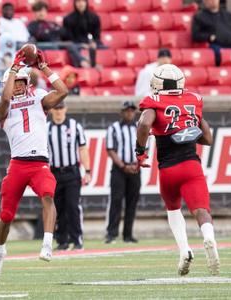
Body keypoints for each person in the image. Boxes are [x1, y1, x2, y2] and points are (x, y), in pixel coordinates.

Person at [0, 49, 68, 279]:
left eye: (22, 82)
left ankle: (47, 243)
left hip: (39, 162)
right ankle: (0, 251)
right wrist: (13, 70)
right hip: (18, 164)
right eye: (15, 82)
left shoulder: (38, 97)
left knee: (47, 195)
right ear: (8, 82)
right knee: (6, 215)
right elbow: (4, 102)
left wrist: (44, 67)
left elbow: (63, 91)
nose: (19, 86)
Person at [136, 63, 220, 276]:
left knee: (173, 209)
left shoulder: (154, 101)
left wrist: (140, 152)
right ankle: (208, 237)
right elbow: (208, 138)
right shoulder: (193, 100)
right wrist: (186, 130)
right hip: (191, 165)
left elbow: (144, 124)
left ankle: (184, 250)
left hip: (168, 169)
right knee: (201, 209)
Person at [48, 101, 90, 250]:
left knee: (73, 206)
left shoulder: (74, 126)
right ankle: (62, 241)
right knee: (58, 208)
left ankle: (77, 239)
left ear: (65, 109)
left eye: (60, 108)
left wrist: (88, 170)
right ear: (51, 110)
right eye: (56, 108)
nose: (58, 111)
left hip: (72, 172)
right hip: (54, 173)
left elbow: (83, 149)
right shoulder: (46, 128)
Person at [105, 101, 140, 244]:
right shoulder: (114, 128)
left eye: (132, 110)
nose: (129, 113)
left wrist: (137, 164)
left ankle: (128, 235)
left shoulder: (140, 127)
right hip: (119, 170)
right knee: (116, 201)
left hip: (135, 169)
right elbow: (110, 149)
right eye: (127, 110)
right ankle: (111, 234)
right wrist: (124, 166)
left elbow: (146, 148)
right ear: (122, 112)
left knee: (132, 202)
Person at [192, 0, 231, 66]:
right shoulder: (199, 16)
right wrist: (208, 37)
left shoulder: (228, 14)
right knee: (222, 55)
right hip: (216, 45)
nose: (213, 1)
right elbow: (195, 35)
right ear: (205, 1)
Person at [62, 0, 103, 68]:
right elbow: (69, 38)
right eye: (78, 1)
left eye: (82, 1)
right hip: (76, 44)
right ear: (75, 3)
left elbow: (97, 36)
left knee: (104, 48)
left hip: (91, 44)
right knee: (72, 46)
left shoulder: (94, 18)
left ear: (86, 2)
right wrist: (82, 45)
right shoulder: (68, 19)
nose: (80, 4)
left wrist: (94, 43)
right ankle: (85, 63)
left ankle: (91, 63)